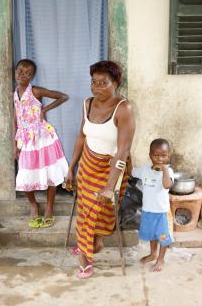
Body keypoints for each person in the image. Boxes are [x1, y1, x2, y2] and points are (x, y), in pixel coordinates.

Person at [64, 60, 135, 279]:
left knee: (98, 210)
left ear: (116, 83)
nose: (97, 88)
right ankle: (87, 254)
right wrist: (71, 168)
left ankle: (91, 242)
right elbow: (81, 136)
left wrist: (109, 187)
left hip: (112, 167)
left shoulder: (124, 108)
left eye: (103, 83)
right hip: (88, 163)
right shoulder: (87, 103)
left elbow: (122, 151)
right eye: (93, 82)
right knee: (86, 211)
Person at [14, 59, 69, 228]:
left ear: (32, 76)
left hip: (43, 138)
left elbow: (63, 96)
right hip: (25, 140)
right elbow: (16, 118)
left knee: (50, 172)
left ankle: (50, 207)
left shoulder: (36, 91)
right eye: (20, 72)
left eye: (28, 73)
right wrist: (14, 143)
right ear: (15, 72)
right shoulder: (14, 93)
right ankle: (33, 204)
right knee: (25, 175)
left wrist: (44, 110)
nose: (23, 76)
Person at [131, 138, 174, 272]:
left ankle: (160, 259)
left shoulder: (169, 172)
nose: (160, 159)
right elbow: (130, 172)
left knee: (163, 237)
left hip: (162, 212)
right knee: (152, 235)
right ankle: (153, 254)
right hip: (148, 211)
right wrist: (127, 157)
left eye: (163, 156)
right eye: (156, 155)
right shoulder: (144, 170)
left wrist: (165, 169)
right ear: (150, 155)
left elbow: (167, 185)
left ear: (168, 156)